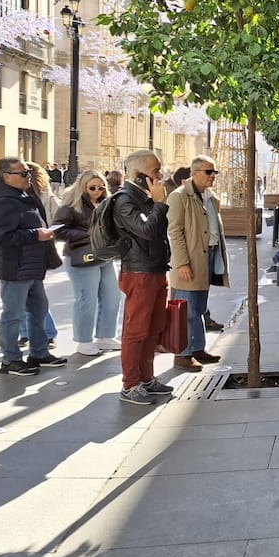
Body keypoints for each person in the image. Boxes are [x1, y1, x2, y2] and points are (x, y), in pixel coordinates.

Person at [0, 156, 64, 376]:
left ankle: (39, 352)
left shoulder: (22, 195)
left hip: (31, 265)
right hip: (15, 266)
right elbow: (1, 237)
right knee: (13, 314)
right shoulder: (3, 202)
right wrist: (36, 234)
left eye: (28, 172)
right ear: (6, 177)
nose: (29, 176)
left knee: (38, 310)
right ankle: (10, 360)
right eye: (23, 173)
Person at [110, 150, 174, 405]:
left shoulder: (144, 198)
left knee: (153, 328)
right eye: (155, 171)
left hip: (156, 268)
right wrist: (159, 204)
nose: (160, 176)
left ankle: (146, 378)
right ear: (138, 175)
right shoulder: (125, 201)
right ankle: (131, 383)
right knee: (136, 330)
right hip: (139, 272)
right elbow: (146, 230)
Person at [166, 155, 229, 371]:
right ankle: (182, 354)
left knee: (200, 307)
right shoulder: (179, 196)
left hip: (208, 256)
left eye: (214, 172)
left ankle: (197, 349)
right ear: (194, 173)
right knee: (186, 309)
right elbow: (174, 232)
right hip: (190, 259)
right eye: (208, 172)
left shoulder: (210, 197)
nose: (213, 176)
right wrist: (182, 263)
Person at [53, 171, 121, 356]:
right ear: (83, 186)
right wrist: (86, 234)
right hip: (81, 257)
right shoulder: (71, 205)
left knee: (112, 296)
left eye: (101, 187)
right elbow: (57, 231)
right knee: (86, 300)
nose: (97, 191)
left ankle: (105, 336)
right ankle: (84, 341)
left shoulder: (105, 203)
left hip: (104, 255)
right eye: (92, 187)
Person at [19, 162, 60, 347]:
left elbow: (58, 216)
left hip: (35, 245)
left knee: (31, 292)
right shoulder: (18, 195)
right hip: (30, 244)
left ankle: (38, 333)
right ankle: (33, 332)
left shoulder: (43, 194)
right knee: (28, 292)